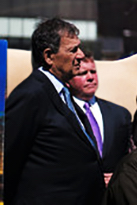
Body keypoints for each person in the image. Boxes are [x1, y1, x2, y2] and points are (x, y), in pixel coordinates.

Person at [6, 18, 105, 204]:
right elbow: (12, 157)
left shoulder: (63, 93)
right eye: (73, 50)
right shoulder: (31, 95)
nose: (81, 55)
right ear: (49, 56)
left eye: (80, 47)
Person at [68, 48, 132, 184]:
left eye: (93, 71)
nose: (90, 77)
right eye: (82, 73)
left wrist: (119, 175)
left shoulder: (119, 114)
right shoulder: (63, 113)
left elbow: (129, 157)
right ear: (68, 80)